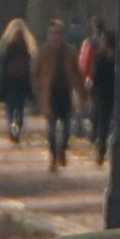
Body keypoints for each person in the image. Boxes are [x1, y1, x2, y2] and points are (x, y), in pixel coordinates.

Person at [32, 19, 84, 173]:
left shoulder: (70, 52)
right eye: (51, 33)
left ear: (62, 35)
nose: (54, 37)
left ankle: (62, 151)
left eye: (57, 33)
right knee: (52, 128)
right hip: (50, 95)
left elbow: (78, 74)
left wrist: (82, 93)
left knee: (67, 127)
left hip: (65, 94)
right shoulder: (43, 53)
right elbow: (35, 74)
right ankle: (53, 157)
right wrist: (40, 88)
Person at [0, 18, 35, 142]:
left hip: (10, 84)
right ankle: (17, 126)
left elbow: (3, 68)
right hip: (22, 84)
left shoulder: (7, 48)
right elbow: (30, 70)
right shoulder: (27, 49)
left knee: (11, 108)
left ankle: (12, 127)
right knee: (20, 108)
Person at [87, 17, 119, 164]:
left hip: (103, 94)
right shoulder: (119, 58)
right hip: (113, 93)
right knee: (106, 122)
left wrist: (92, 91)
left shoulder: (100, 57)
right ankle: (102, 146)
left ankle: (101, 147)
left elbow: (95, 76)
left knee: (102, 122)